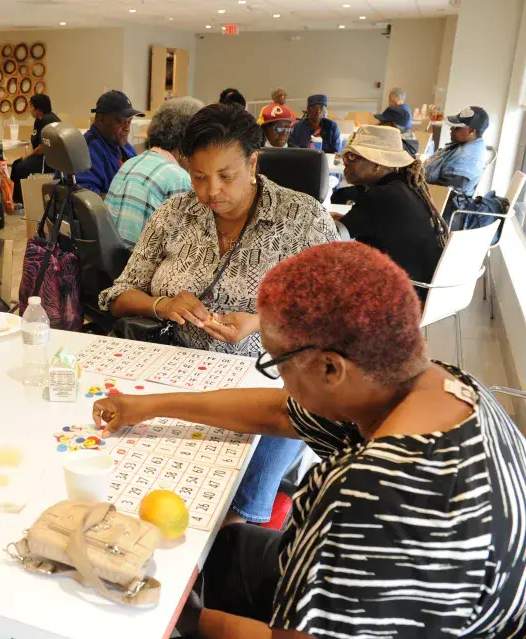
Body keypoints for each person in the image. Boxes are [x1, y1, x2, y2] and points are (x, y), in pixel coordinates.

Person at [93, 241, 526, 639]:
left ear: (332, 370)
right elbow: (281, 411)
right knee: (229, 547)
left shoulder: (364, 496)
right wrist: (148, 405)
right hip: (440, 602)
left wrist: (181, 617)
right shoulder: (447, 384)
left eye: (277, 363)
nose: (280, 379)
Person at [99, 103, 337, 526]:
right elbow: (116, 295)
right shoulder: (175, 213)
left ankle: (229, 553)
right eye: (199, 177)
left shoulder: (302, 217)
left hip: (270, 381)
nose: (211, 192)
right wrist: (163, 304)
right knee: (138, 478)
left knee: (232, 509)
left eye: (226, 176)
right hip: (177, 369)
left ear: (252, 162)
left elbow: (334, 313)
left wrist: (262, 320)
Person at [338, 125, 446, 298]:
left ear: (377, 164)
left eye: (352, 157)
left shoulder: (380, 196)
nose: (345, 164)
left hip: (403, 292)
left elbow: (332, 235)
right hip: (423, 285)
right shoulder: (404, 188)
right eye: (345, 157)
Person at [106, 97, 204, 247]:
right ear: (188, 142)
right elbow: (188, 247)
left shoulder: (130, 163)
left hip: (113, 262)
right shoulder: (179, 179)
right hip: (141, 266)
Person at [74, 90, 143, 197]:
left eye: (129, 121)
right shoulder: (85, 152)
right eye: (120, 121)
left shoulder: (125, 147)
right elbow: (87, 201)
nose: (127, 129)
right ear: (101, 120)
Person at [425, 105, 490, 197]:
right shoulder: (464, 144)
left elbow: (443, 197)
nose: (451, 129)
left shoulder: (465, 160)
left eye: (457, 127)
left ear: (471, 131)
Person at [10, 93, 61, 206]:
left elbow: (44, 146)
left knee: (20, 167)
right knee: (16, 164)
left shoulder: (48, 120)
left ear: (39, 108)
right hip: (41, 156)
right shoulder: (39, 120)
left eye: (31, 106)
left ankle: (22, 200)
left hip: (49, 159)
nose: (30, 110)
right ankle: (17, 199)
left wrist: (28, 156)